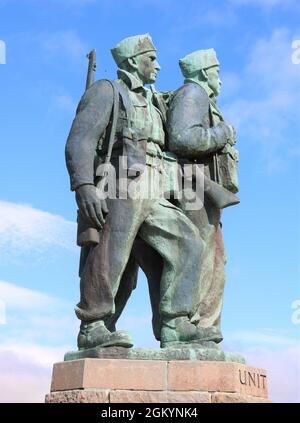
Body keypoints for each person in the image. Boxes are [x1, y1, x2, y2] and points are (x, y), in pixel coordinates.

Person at [65, 34, 208, 351]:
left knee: (189, 244)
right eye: (152, 58)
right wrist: (84, 185)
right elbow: (81, 140)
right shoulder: (107, 91)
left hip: (157, 184)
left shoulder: (156, 100)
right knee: (110, 254)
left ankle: (175, 324)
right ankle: (93, 325)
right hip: (120, 181)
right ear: (132, 61)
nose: (158, 64)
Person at [166, 48, 239, 344]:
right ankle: (193, 324)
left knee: (216, 257)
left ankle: (205, 326)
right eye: (217, 71)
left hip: (202, 190)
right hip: (191, 188)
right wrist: (221, 134)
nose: (219, 78)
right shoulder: (193, 94)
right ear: (204, 72)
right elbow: (182, 138)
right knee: (202, 255)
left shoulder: (202, 98)